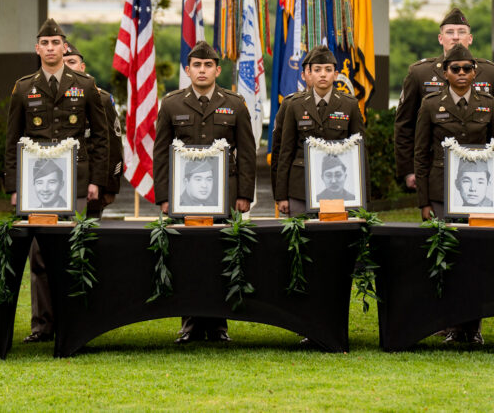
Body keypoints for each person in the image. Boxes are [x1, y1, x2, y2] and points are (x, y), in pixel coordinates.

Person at [4, 18, 109, 344]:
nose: (51, 49)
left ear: (65, 48)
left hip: (76, 182)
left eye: (56, 43)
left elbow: (101, 138)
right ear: (38, 49)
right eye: (45, 43)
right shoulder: (23, 87)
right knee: (39, 256)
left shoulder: (85, 85)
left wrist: (96, 180)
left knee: (74, 251)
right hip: (37, 187)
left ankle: (75, 323)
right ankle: (42, 325)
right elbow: (12, 140)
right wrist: (14, 187)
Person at [154, 39, 257, 344]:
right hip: (184, 196)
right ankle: (190, 324)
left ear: (217, 70)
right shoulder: (171, 103)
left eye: (207, 65)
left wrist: (244, 195)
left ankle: (218, 324)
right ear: (188, 70)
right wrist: (164, 196)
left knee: (220, 257)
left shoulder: (235, 104)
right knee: (187, 258)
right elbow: (161, 153)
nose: (202, 70)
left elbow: (248, 153)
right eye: (196, 65)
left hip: (224, 194)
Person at [413, 43, 494, 346]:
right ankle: (452, 326)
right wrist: (424, 201)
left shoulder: (488, 104)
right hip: (442, 192)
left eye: (467, 68)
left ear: (475, 72)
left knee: (475, 260)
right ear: (444, 72)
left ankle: (474, 327)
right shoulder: (430, 105)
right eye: (456, 68)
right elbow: (421, 155)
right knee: (448, 259)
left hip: (480, 196)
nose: (462, 73)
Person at [395, 7, 494, 191]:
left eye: (461, 32)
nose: (455, 37)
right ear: (441, 38)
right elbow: (404, 125)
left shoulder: (492, 73)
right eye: (450, 32)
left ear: (470, 38)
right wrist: (409, 171)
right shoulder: (419, 72)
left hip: (480, 170)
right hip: (436, 172)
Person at [276, 46, 364, 216]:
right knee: (301, 238)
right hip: (300, 189)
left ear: (336, 74)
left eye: (328, 70)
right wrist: (282, 196)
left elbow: (360, 151)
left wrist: (363, 195)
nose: (323, 74)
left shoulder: (350, 105)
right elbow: (285, 152)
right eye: (317, 70)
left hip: (339, 187)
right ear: (309, 73)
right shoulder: (295, 105)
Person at [62, 42, 123, 217]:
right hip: (55, 183)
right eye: (63, 62)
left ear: (82, 67)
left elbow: (114, 146)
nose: (67, 67)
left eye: (71, 62)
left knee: (88, 237)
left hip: (91, 184)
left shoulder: (101, 99)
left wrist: (110, 187)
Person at [270, 49, 313, 212]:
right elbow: (279, 152)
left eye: (325, 68)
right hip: (298, 186)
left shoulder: (344, 104)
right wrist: (280, 195)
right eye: (313, 70)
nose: (319, 74)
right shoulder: (290, 104)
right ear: (303, 75)